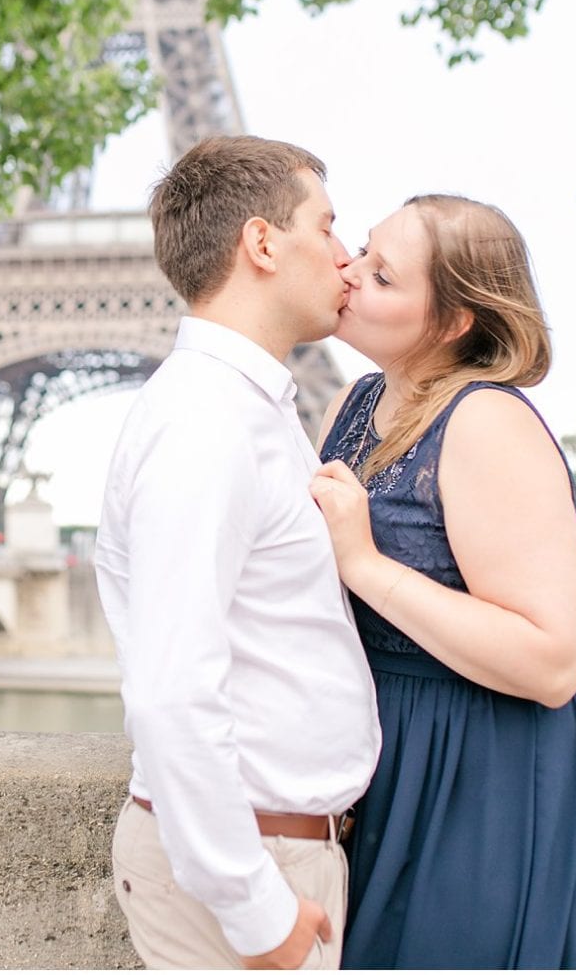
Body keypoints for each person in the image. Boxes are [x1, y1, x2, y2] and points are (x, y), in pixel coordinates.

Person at [307, 193, 576, 969]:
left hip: (486, 778)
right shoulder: (354, 403)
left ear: (452, 323)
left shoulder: (487, 422)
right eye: (359, 252)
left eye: (382, 277)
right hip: (389, 762)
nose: (349, 274)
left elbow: (552, 663)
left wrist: (365, 566)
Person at [96, 135, 381, 970]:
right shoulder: (208, 425)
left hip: (274, 853)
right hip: (252, 870)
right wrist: (256, 909)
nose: (346, 258)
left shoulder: (246, 411)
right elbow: (170, 688)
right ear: (262, 243)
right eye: (327, 229)